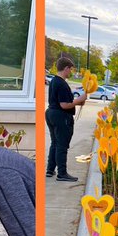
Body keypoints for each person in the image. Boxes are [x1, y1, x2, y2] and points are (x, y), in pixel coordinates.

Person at [46, 54, 86, 182]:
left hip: (51, 113)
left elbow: (61, 101)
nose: (71, 72)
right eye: (71, 69)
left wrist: (77, 102)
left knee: (55, 143)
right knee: (62, 145)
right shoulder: (62, 84)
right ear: (66, 68)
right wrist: (79, 100)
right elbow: (64, 105)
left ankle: (50, 169)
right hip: (61, 116)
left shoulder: (53, 81)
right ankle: (62, 173)